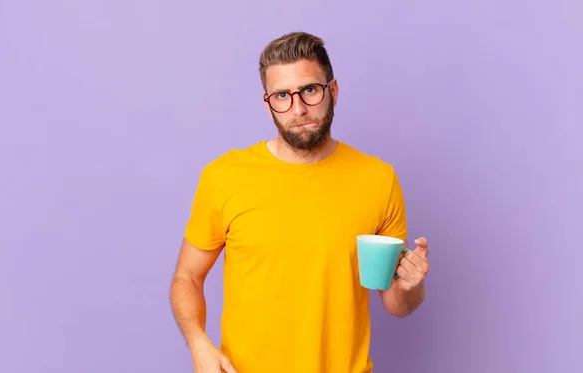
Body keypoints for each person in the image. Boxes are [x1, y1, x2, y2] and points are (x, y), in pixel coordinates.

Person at [169, 31, 430, 373]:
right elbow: (187, 277)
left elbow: (396, 303)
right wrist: (198, 344)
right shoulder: (224, 177)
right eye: (282, 95)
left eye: (310, 90)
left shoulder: (378, 179)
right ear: (268, 104)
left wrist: (413, 286)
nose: (298, 108)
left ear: (332, 91)